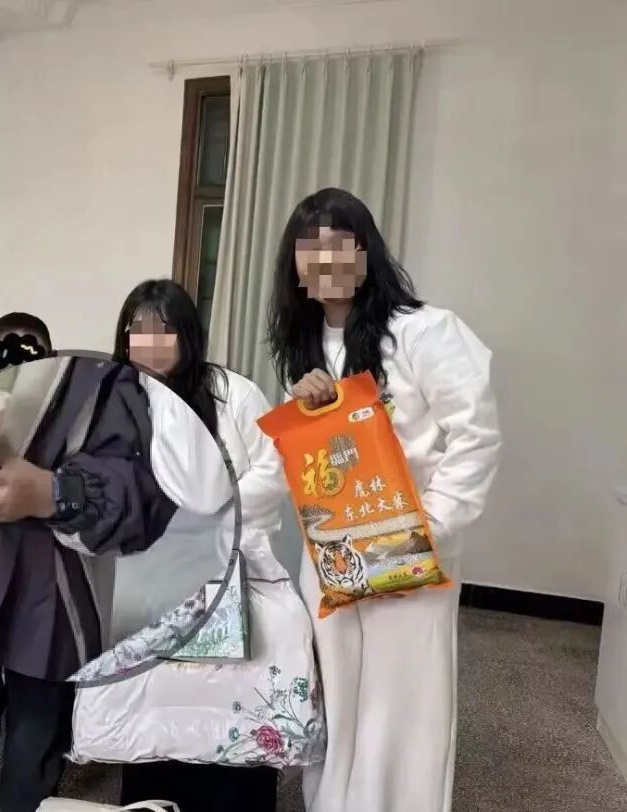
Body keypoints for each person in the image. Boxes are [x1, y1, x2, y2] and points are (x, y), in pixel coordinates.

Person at [267, 187, 501, 812]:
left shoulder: (426, 331)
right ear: (295, 267)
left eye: (340, 244)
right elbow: (300, 464)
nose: (326, 260)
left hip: (412, 555)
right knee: (336, 701)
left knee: (405, 708)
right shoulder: (305, 347)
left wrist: (428, 529)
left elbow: (475, 436)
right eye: (310, 248)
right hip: (333, 558)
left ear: (367, 253)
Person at [0, 352, 178, 812]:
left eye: (29, 345)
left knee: (36, 741)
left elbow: (144, 494)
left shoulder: (103, 386)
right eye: (2, 345)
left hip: (56, 590)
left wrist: (54, 492)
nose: (14, 351)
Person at [110, 279, 288, 812]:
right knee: (157, 707)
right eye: (138, 329)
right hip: (150, 577)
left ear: (187, 335)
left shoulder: (233, 394)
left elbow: (273, 470)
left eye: (163, 329)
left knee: (228, 702)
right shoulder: (114, 400)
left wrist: (214, 517)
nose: (150, 341)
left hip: (229, 568)